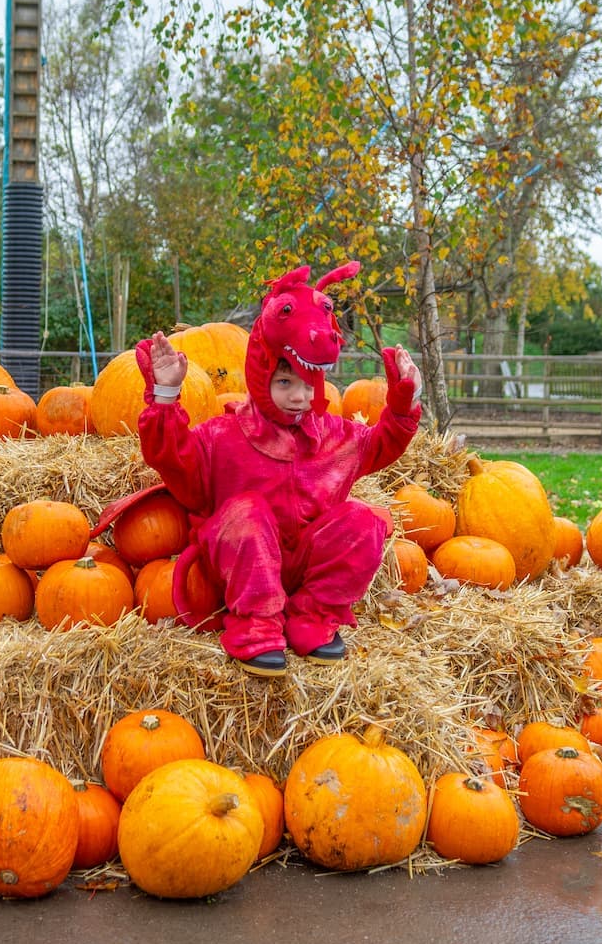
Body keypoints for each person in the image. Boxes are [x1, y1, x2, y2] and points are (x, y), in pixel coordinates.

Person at [135, 261, 423, 678]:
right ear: (260, 375)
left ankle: (313, 615)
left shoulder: (333, 437)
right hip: (243, 565)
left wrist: (402, 407)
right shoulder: (223, 436)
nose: (298, 397)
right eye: (284, 383)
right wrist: (165, 395)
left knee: (365, 520)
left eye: (308, 386)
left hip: (305, 563)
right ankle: (256, 625)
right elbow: (173, 459)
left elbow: (380, 444)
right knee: (247, 512)